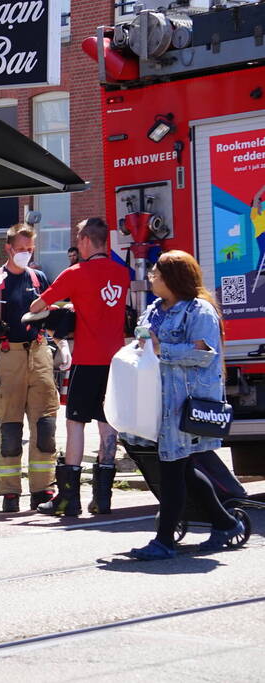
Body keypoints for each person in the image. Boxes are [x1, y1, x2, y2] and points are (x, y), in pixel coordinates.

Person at [124, 251, 243, 559]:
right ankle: (224, 522)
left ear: (172, 279)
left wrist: (161, 348)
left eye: (156, 275)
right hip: (157, 399)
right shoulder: (154, 308)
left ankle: (164, 541)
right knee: (183, 467)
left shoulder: (199, 310)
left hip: (183, 400)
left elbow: (204, 353)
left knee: (173, 468)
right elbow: (143, 339)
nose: (152, 279)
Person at [29, 218, 130, 516]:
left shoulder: (75, 273)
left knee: (75, 425)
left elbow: (37, 306)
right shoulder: (122, 273)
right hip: (115, 361)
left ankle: (69, 499)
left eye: (78, 238)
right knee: (107, 425)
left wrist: (66, 308)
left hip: (86, 360)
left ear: (86, 240)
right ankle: (103, 498)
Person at [0, 224, 66, 513]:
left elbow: (49, 314)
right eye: (21, 249)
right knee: (11, 426)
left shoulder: (38, 278)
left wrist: (61, 345)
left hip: (39, 352)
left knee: (44, 426)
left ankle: (42, 489)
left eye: (30, 249)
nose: (26, 254)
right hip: (9, 355)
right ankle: (10, 492)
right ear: (8, 248)